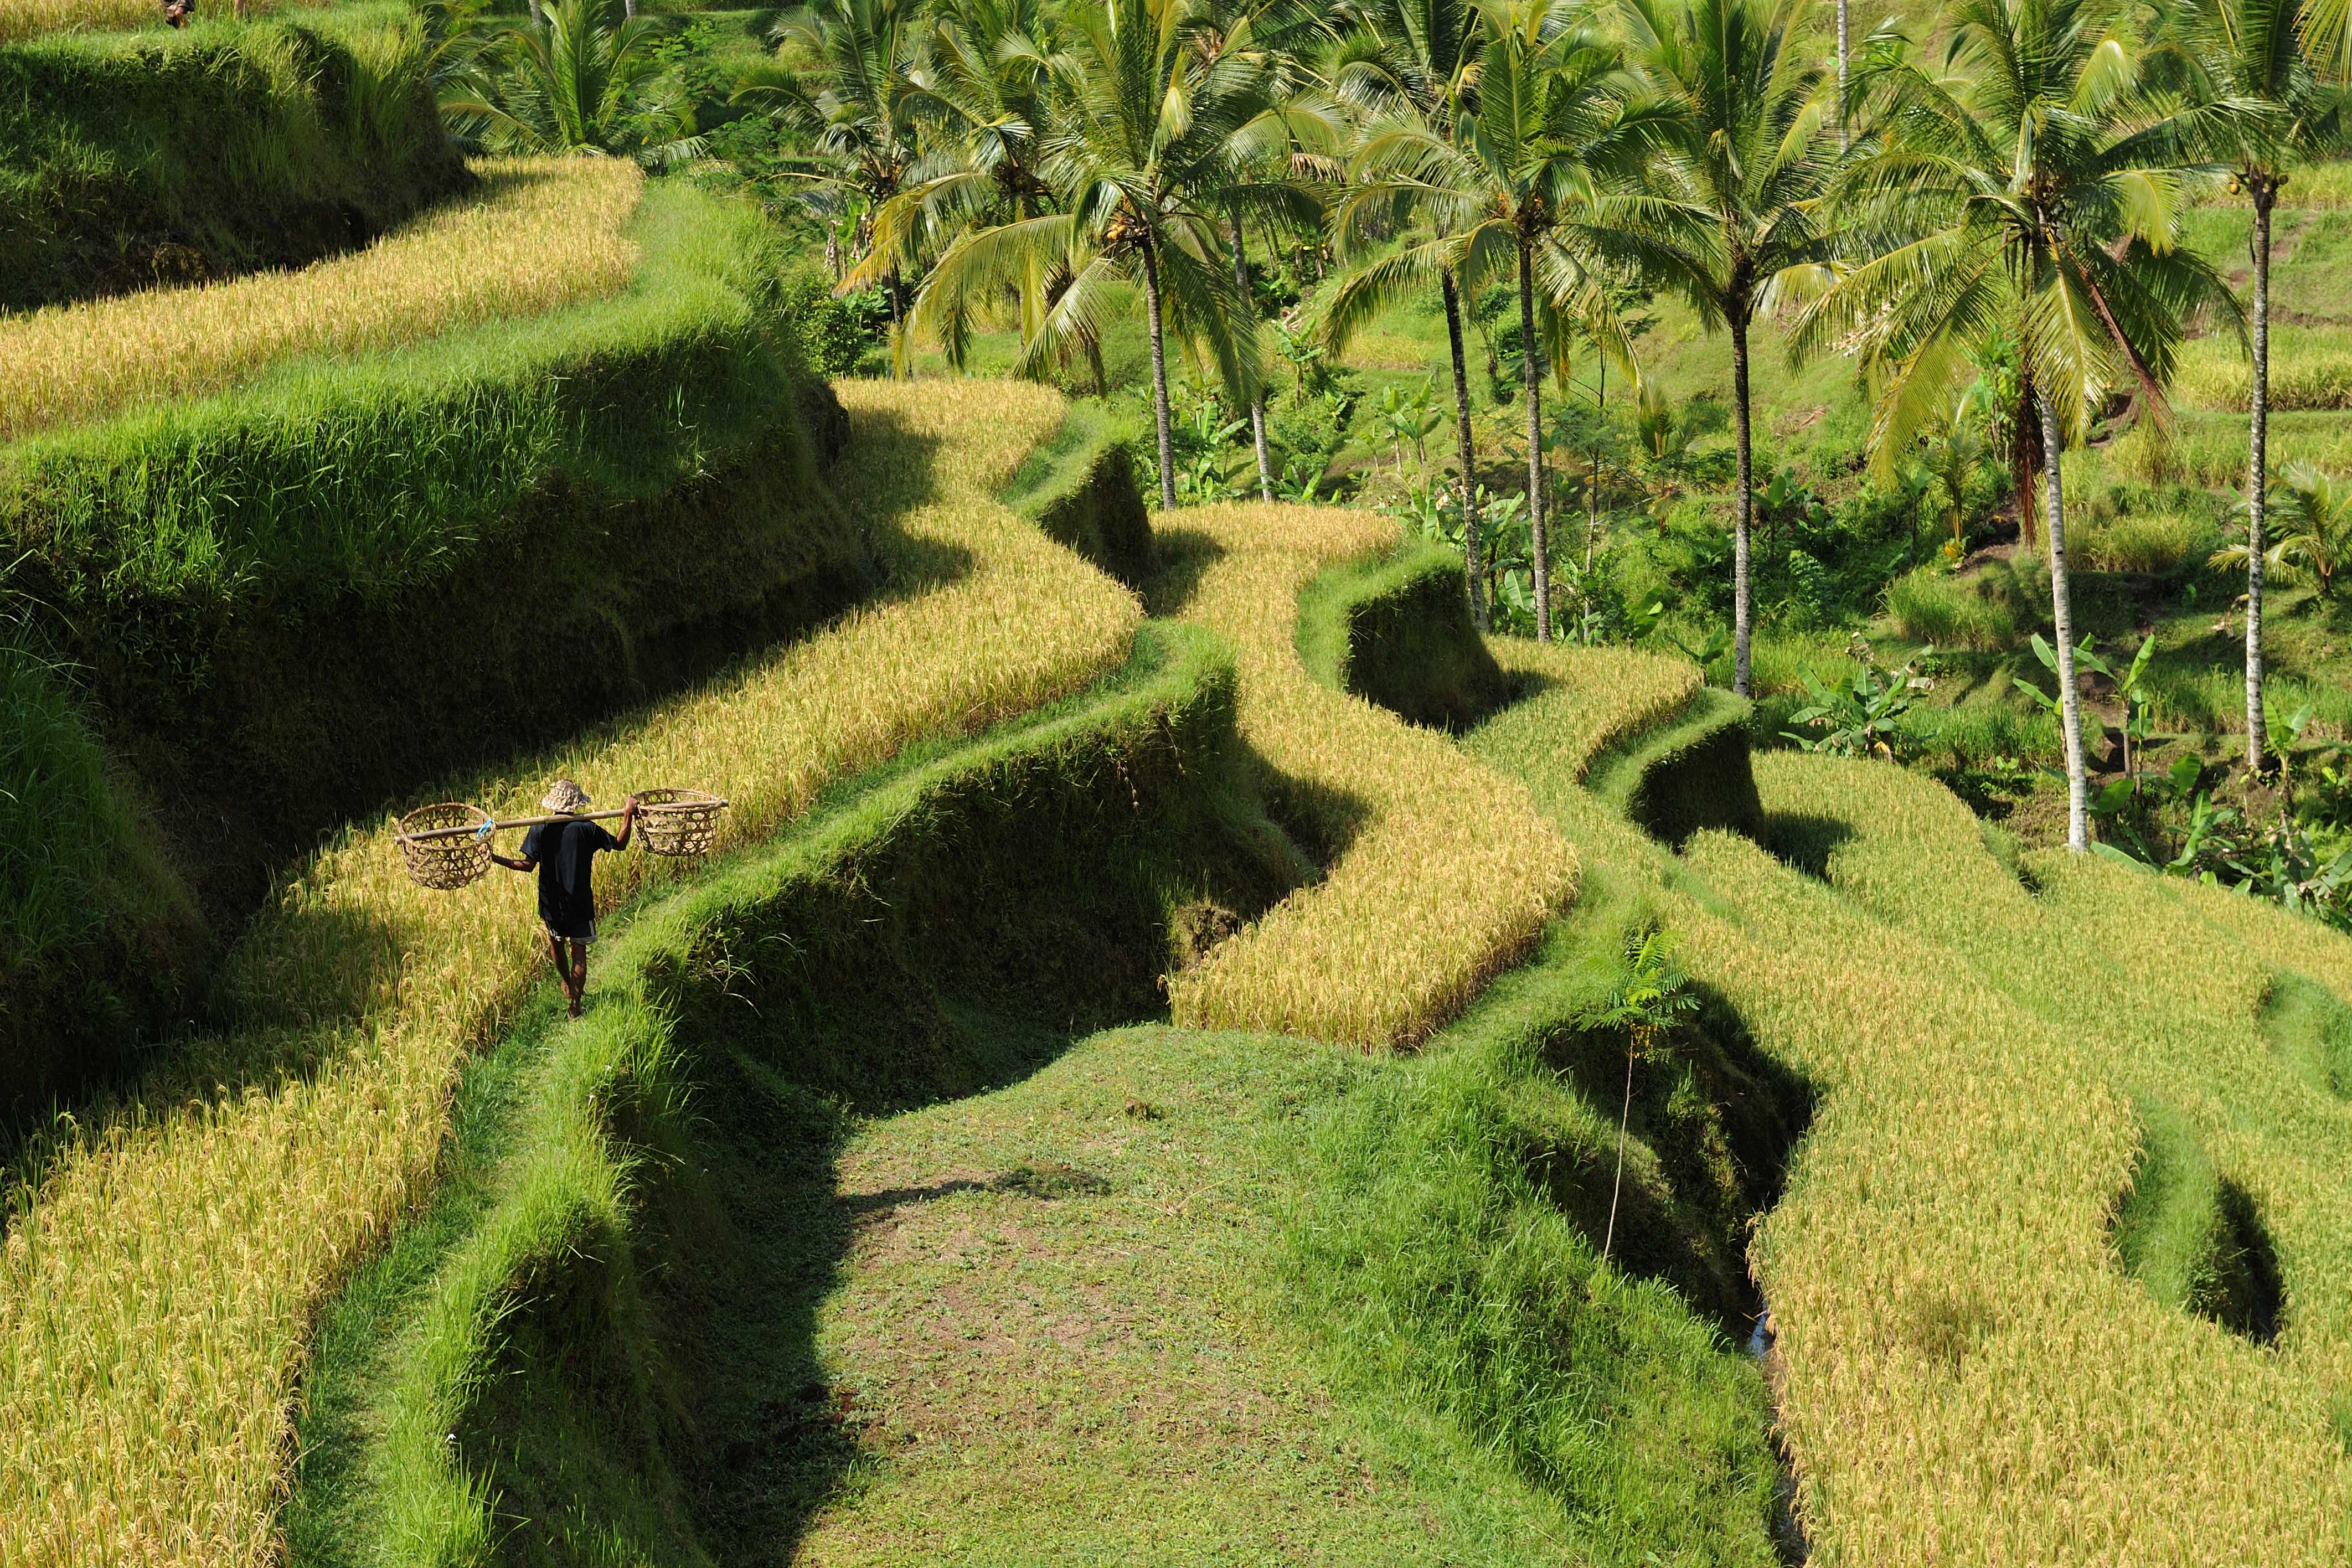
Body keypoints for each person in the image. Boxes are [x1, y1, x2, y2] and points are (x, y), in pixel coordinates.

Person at [492, 778, 637, 1019]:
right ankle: (575, 1007)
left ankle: (568, 984)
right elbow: (620, 844)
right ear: (576, 805)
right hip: (579, 902)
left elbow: (527, 865)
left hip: (552, 903)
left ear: (554, 805)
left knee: (556, 944)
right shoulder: (586, 828)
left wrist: (495, 858)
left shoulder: (540, 828)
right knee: (578, 953)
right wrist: (628, 815)